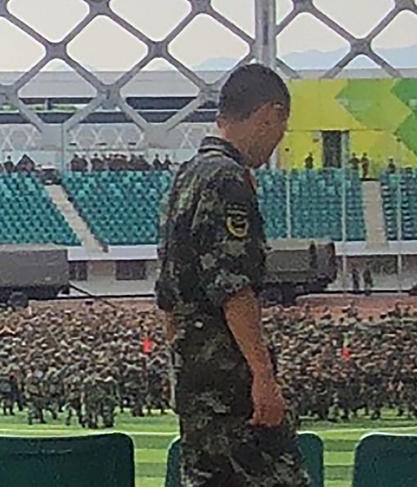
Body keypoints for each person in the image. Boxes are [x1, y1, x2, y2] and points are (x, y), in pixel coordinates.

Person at [155, 64, 310, 486]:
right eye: (281, 126)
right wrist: (262, 374)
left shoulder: (185, 176)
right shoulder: (228, 179)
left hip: (195, 381)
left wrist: (180, 370)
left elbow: (167, 296)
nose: (278, 139)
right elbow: (234, 287)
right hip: (230, 382)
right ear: (268, 114)